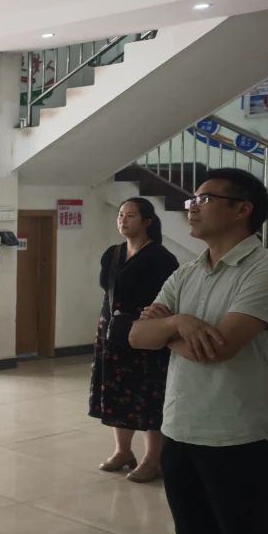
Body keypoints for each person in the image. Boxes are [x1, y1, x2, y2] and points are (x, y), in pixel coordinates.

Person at [130, 168, 268, 534]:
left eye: (205, 199)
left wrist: (165, 331)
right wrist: (180, 323)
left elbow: (218, 348)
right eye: (192, 200)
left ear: (242, 210)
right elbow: (136, 336)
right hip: (179, 430)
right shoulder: (187, 272)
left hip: (238, 437)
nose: (192, 207)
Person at [90, 198, 179, 483]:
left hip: (145, 333)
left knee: (148, 393)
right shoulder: (113, 253)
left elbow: (166, 300)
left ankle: (153, 458)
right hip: (113, 331)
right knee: (117, 390)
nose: (123, 220)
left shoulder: (161, 258)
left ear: (147, 221)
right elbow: (108, 293)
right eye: (120, 215)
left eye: (130, 216)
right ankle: (123, 451)